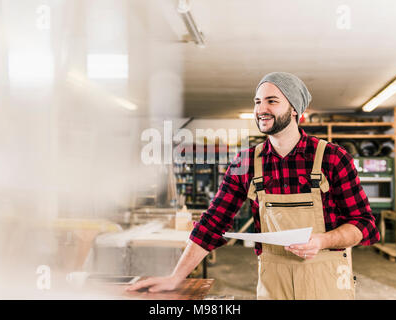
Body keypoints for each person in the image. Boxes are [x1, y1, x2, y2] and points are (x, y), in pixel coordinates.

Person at [127, 72, 380, 299]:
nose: (261, 109)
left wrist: (323, 241)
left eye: (272, 101)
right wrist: (175, 278)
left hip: (326, 281)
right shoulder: (247, 162)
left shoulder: (333, 157)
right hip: (273, 283)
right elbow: (213, 222)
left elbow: (364, 224)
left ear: (294, 109)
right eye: (257, 102)